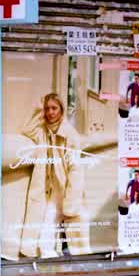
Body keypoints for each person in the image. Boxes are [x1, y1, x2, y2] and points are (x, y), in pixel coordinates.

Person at [16, 93, 88, 259]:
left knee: (58, 218)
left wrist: (72, 194)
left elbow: (75, 167)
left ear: (61, 110)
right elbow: (26, 129)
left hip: (63, 185)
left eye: (54, 108)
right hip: (46, 184)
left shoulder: (70, 134)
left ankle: (51, 251)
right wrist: (38, 111)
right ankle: (48, 251)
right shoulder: (42, 130)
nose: (50, 112)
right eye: (47, 108)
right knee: (50, 217)